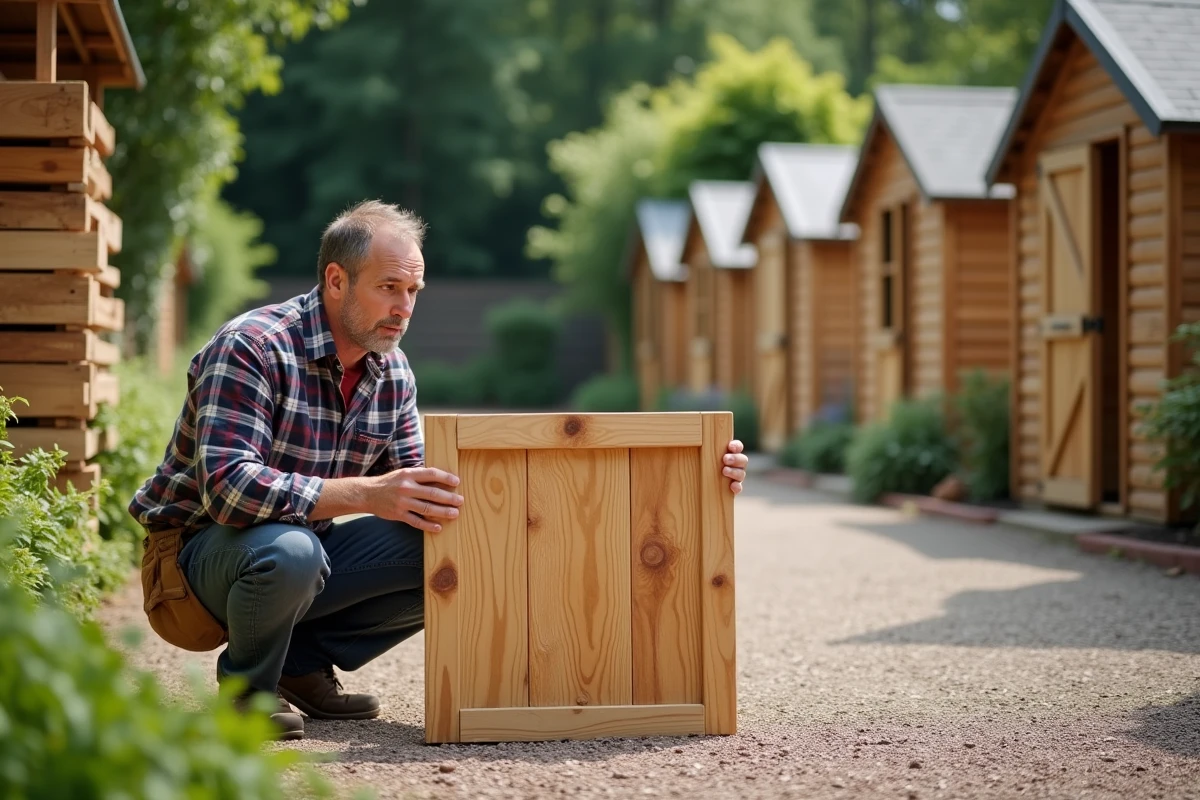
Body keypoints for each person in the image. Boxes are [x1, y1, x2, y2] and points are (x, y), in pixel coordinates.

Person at [129, 199, 750, 741]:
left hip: (300, 561)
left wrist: (697, 477)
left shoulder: (390, 371)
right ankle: (245, 697)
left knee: (463, 536)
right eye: (389, 288)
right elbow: (230, 490)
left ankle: (302, 661)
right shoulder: (253, 346)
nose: (405, 308)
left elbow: (435, 496)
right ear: (336, 280)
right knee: (289, 552)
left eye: (414, 292)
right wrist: (368, 494)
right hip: (195, 568)